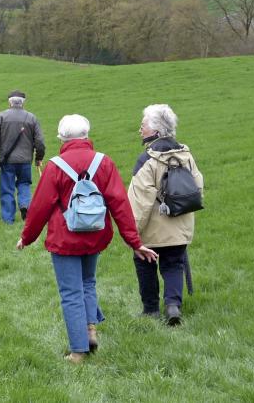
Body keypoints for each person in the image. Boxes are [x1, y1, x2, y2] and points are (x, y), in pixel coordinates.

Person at [16, 114, 158, 364]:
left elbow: (39, 208)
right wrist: (134, 242)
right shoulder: (104, 163)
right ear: (86, 134)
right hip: (95, 234)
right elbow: (120, 205)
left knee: (71, 292)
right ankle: (90, 330)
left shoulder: (55, 166)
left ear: (62, 137)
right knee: (88, 283)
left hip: (64, 238)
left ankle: (78, 352)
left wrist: (27, 237)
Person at [128, 104, 204, 325]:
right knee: (173, 264)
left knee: (145, 264)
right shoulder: (186, 155)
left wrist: (133, 233)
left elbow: (139, 201)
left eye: (143, 125)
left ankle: (150, 310)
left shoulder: (147, 160)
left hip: (152, 229)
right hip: (179, 225)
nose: (140, 130)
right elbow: (198, 188)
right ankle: (173, 306)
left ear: (156, 131)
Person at [0, 90, 46, 224]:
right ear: (23, 102)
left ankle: (8, 219)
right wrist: (39, 158)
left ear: (9, 102)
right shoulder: (32, 118)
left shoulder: (1, 116)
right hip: (26, 160)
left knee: (7, 188)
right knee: (24, 184)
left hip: (7, 160)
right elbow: (40, 142)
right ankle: (25, 205)